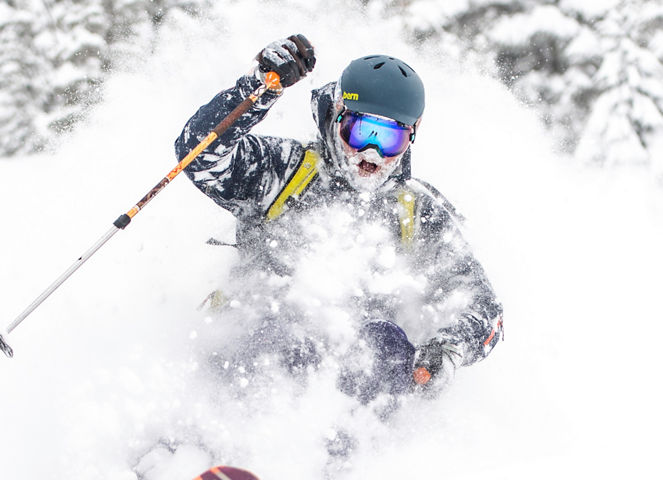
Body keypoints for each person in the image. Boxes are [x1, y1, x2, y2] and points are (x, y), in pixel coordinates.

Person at [174, 34, 503, 405]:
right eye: (361, 132)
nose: (372, 154)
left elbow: (483, 307)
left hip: (345, 397)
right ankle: (191, 448)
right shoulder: (284, 171)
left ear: (411, 138)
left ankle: (352, 454)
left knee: (382, 342)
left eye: (390, 139)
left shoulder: (415, 211)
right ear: (337, 116)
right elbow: (199, 155)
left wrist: (447, 349)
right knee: (281, 325)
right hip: (243, 363)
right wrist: (258, 89)